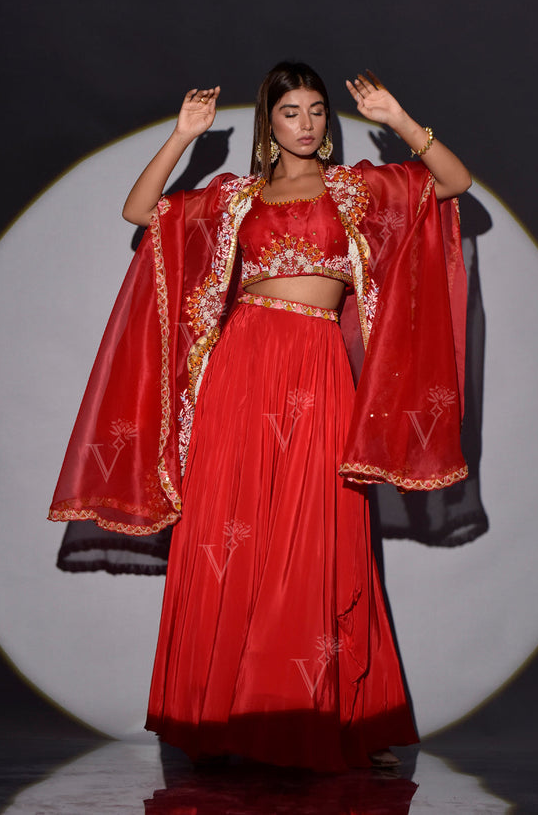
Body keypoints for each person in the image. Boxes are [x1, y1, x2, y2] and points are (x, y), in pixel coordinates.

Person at [49, 62, 471, 771]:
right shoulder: (234, 198)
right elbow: (139, 211)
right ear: (268, 126)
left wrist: (400, 121)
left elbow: (452, 184)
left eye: (315, 112)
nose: (305, 125)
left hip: (319, 370)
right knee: (230, 533)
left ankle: (317, 717)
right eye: (290, 113)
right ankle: (219, 720)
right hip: (240, 373)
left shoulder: (356, 188)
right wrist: (181, 137)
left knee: (318, 537)